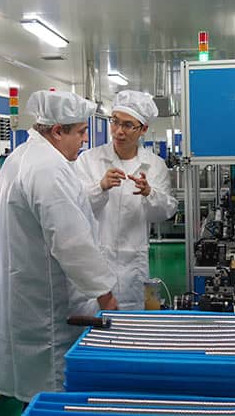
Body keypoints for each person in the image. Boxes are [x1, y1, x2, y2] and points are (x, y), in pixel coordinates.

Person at [0, 90, 119, 403]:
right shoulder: (48, 168)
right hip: (49, 304)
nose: (85, 140)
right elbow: (71, 243)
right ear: (58, 130)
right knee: (54, 389)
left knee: (34, 390)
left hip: (27, 295)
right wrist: (105, 295)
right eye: (81, 132)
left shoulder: (21, 158)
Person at [75, 90, 178, 311]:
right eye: (115, 122)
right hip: (96, 259)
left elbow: (166, 211)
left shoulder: (154, 165)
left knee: (132, 316)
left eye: (128, 125)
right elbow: (75, 206)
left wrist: (149, 193)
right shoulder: (89, 160)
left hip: (134, 260)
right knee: (95, 317)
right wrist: (100, 187)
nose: (119, 131)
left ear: (143, 129)